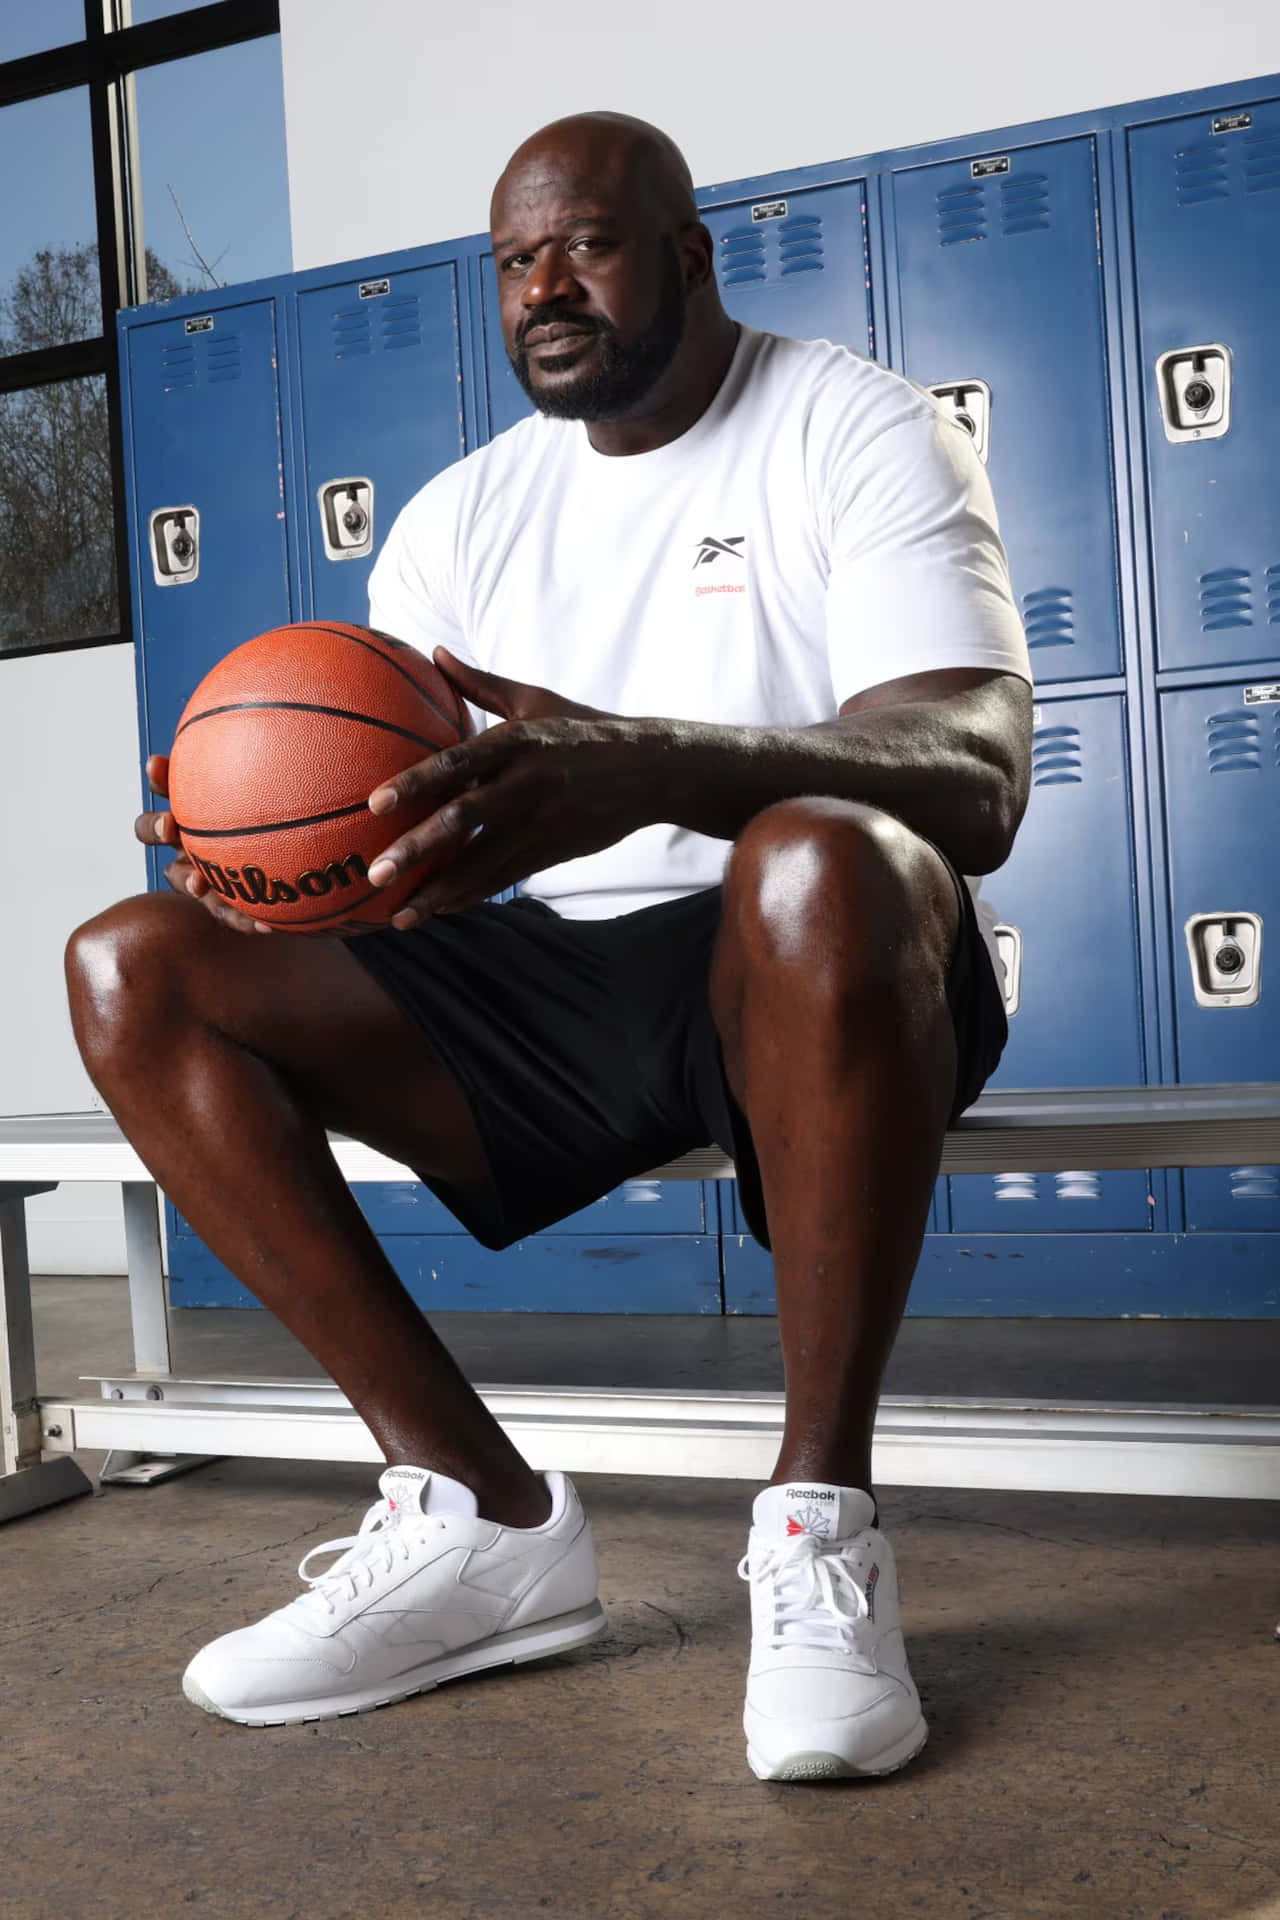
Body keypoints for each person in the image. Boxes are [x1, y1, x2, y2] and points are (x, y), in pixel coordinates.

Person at [66, 109, 1032, 1782]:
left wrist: (649, 767)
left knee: (811, 857)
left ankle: (818, 1529)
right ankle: (478, 1517)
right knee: (130, 959)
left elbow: (978, 774)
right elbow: (385, 818)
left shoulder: (852, 427)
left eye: (581, 243)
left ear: (686, 251)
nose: (542, 288)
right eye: (514, 261)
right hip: (558, 985)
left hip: (816, 964)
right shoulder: (459, 518)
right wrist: (268, 860)